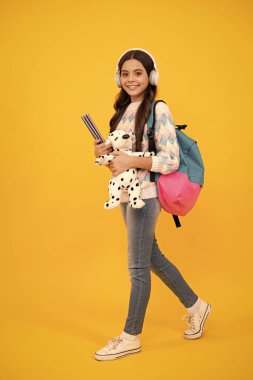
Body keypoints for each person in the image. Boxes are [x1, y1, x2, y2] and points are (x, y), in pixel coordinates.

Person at [93, 48, 211, 361]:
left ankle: (130, 336)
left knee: (137, 267)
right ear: (118, 77)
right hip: (125, 193)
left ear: (151, 76)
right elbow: (118, 163)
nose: (131, 79)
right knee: (152, 258)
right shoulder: (122, 112)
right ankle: (197, 306)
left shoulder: (159, 109)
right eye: (125, 73)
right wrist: (103, 155)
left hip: (145, 196)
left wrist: (131, 158)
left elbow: (171, 161)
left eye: (138, 73)